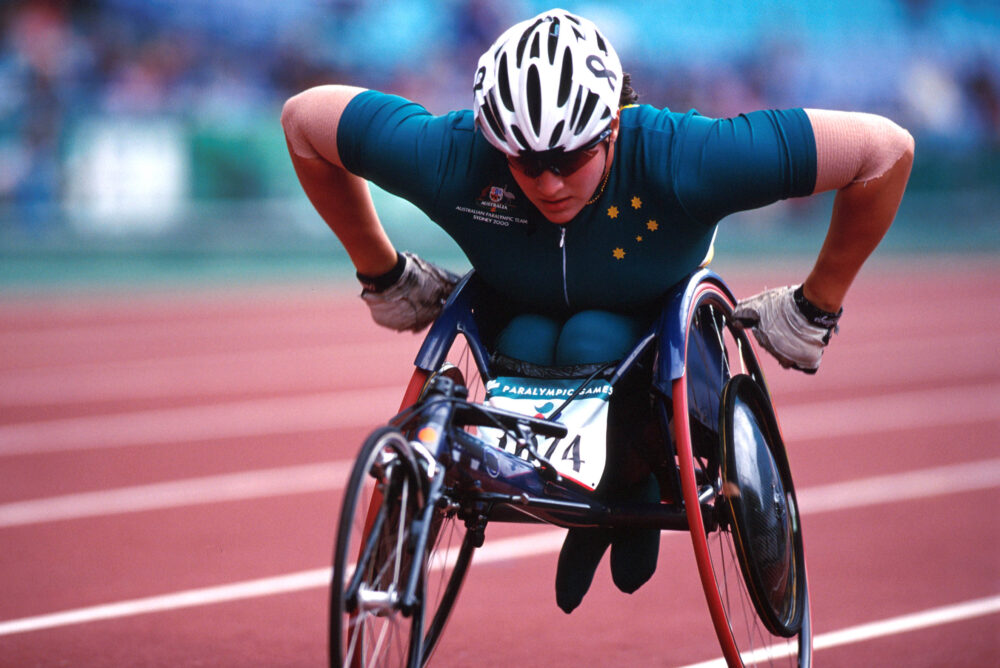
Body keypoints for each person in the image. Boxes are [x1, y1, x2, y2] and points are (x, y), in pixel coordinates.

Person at [281, 8, 914, 613]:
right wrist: (382, 272)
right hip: (516, 326)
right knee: (532, 335)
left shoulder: (682, 157)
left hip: (656, 339)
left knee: (587, 336)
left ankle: (631, 472)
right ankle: (587, 480)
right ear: (492, 142)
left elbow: (884, 151)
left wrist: (814, 307)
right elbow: (305, 119)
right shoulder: (453, 156)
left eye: (569, 160)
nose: (548, 183)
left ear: (613, 126)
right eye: (525, 163)